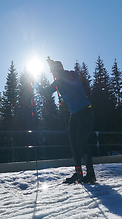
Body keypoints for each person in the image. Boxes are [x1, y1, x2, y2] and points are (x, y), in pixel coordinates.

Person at [39, 56, 95, 184]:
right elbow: (46, 92)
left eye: (55, 71)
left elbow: (66, 78)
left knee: (80, 141)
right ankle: (78, 173)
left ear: (60, 69)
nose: (54, 74)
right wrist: (34, 83)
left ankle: (91, 174)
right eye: (53, 72)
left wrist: (53, 66)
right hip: (74, 114)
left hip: (85, 111)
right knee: (73, 143)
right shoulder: (58, 82)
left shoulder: (71, 75)